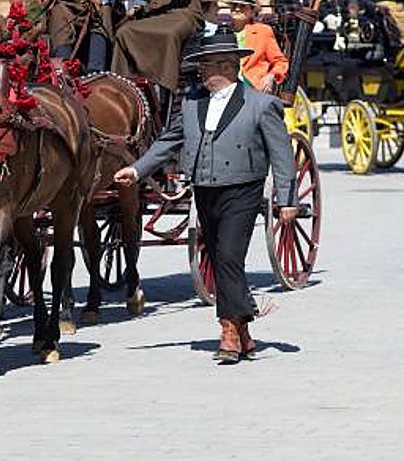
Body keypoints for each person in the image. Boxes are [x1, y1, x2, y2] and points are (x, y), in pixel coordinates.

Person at [113, 31, 298, 364]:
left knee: (229, 256)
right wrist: (137, 170)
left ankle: (228, 329)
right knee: (216, 257)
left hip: (243, 189)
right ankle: (243, 330)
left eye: (205, 65)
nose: (199, 71)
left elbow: (282, 154)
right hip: (204, 189)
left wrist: (286, 199)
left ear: (227, 66)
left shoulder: (261, 104)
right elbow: (168, 142)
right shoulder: (192, 104)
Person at [227, 0, 288, 92]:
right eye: (234, 5)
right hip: (227, 86)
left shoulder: (263, 31)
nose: (237, 9)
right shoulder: (223, 32)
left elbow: (280, 62)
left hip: (253, 86)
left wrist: (271, 75)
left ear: (252, 11)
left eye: (242, 6)